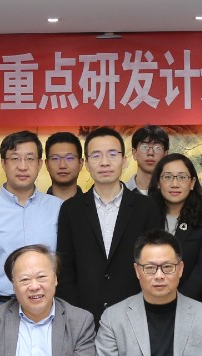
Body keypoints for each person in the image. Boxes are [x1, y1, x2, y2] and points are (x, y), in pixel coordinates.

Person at [57, 127, 164, 323]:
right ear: (86, 163)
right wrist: (75, 315)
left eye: (112, 154)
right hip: (84, 317)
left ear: (124, 160)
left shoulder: (146, 208)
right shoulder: (71, 210)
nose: (105, 162)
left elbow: (154, 264)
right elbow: (65, 270)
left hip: (136, 314)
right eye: (96, 156)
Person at [0, 131, 62, 310]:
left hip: (48, 304)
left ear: (40, 164)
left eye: (30, 159)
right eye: (15, 158)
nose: (22, 166)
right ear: (3, 163)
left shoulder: (58, 208)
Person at [153, 153, 202, 304]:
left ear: (192, 183)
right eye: (168, 177)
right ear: (158, 182)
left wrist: (177, 301)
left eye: (182, 177)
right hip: (151, 300)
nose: (175, 184)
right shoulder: (146, 214)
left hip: (193, 302)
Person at [126, 125, 169, 196]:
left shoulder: (172, 192)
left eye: (157, 148)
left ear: (165, 155)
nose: (150, 153)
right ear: (134, 153)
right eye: (144, 147)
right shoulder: (120, 192)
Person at [44, 131, 85, 201]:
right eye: (55, 158)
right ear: (47, 164)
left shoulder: (94, 205)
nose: (62, 165)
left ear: (80, 163)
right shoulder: (35, 207)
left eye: (70, 158)